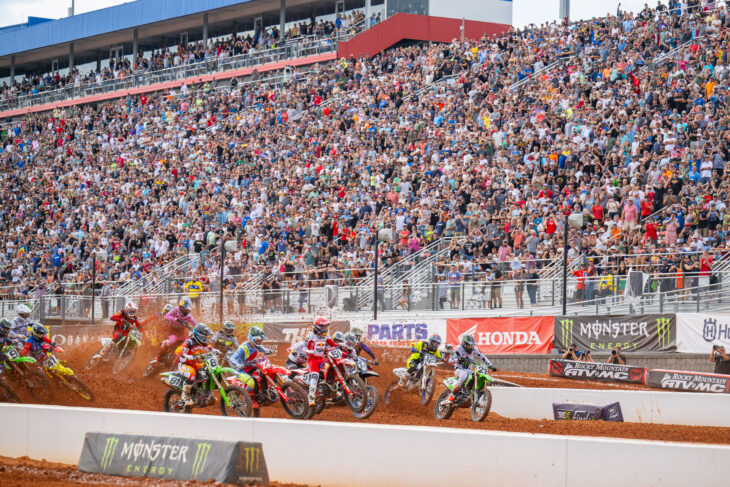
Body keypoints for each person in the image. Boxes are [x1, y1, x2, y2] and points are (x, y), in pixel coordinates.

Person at [148, 296, 197, 369]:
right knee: (172, 340)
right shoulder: (175, 310)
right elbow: (166, 316)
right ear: (181, 306)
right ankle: (158, 356)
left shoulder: (189, 316)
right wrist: (175, 319)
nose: (186, 311)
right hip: (172, 330)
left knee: (184, 346)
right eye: (185, 309)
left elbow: (195, 324)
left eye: (188, 309)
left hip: (181, 333)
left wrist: (197, 331)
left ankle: (174, 363)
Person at [446, 334, 496, 403]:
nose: (471, 347)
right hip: (459, 370)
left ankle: (472, 393)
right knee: (464, 375)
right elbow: (450, 360)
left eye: (472, 345)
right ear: (464, 344)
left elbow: (482, 356)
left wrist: (490, 365)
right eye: (469, 345)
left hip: (468, 370)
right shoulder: (458, 348)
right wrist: (458, 360)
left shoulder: (475, 349)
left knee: (476, 375)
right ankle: (452, 395)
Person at [175, 323, 214, 407]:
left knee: (207, 370)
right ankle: (185, 396)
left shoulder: (203, 342)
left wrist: (215, 350)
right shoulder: (190, 342)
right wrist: (185, 355)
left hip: (194, 364)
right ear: (198, 335)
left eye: (206, 337)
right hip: (184, 364)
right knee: (192, 375)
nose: (205, 338)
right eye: (204, 336)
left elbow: (209, 347)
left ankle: (205, 393)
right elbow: (178, 350)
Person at [304, 316, 337, 406]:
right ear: (317, 326)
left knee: (332, 367)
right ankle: (311, 397)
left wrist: (340, 345)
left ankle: (332, 389)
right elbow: (304, 348)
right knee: (315, 376)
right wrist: (311, 351)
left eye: (326, 326)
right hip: (313, 360)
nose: (325, 328)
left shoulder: (326, 335)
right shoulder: (310, 335)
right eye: (323, 326)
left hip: (322, 359)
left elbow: (332, 344)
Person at [228, 326, 271, 392]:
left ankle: (264, 391)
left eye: (260, 341)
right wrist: (237, 365)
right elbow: (232, 358)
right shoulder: (243, 347)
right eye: (258, 340)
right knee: (251, 383)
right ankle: (247, 398)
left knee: (264, 372)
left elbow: (261, 348)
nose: (259, 342)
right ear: (252, 339)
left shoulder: (255, 345)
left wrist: (268, 350)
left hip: (250, 366)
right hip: (240, 370)